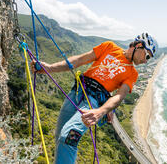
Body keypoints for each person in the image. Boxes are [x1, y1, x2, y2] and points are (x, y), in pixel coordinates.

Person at [32, 32, 158, 163]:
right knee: (59, 136)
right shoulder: (109, 47)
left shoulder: (132, 74)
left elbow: (120, 95)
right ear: (138, 45)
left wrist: (101, 111)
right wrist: (49, 68)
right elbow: (80, 60)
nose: (145, 61)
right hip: (77, 91)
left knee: (68, 137)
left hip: (93, 101)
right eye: (147, 56)